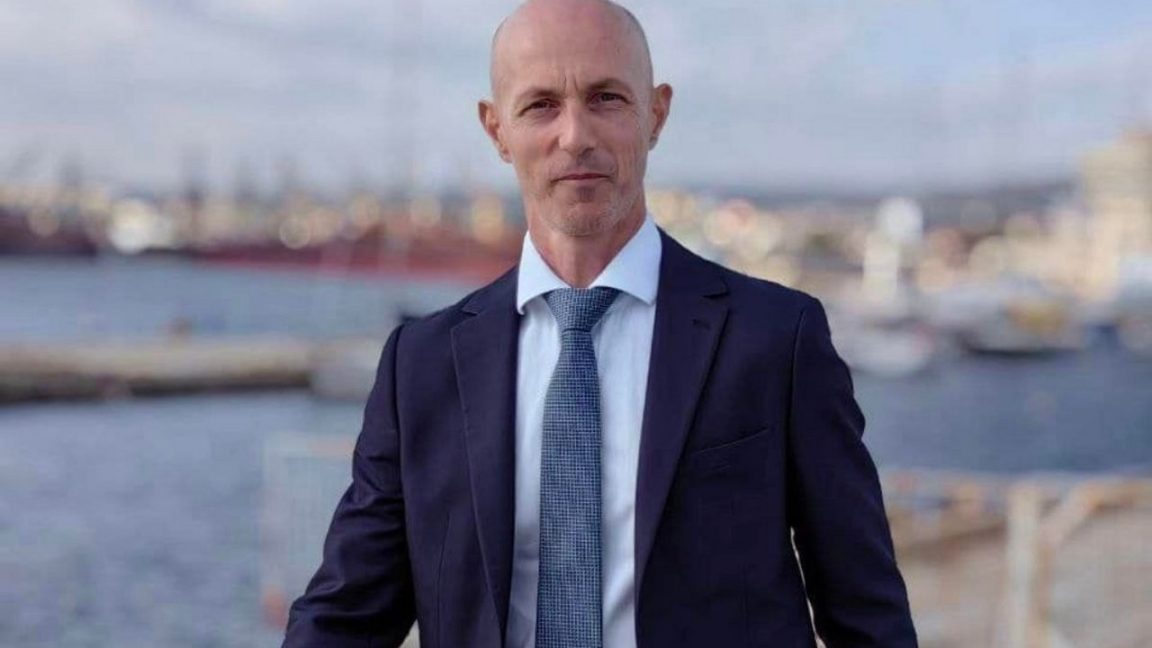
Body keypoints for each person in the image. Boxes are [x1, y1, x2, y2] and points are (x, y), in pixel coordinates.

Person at [282, 0, 918, 646]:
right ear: (496, 129)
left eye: (606, 98)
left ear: (656, 114)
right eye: (541, 105)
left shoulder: (777, 340)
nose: (575, 136)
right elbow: (345, 617)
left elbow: (868, 617)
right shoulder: (420, 367)